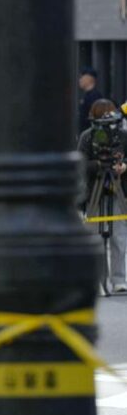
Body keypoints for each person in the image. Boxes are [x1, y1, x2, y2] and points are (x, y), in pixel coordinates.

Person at [79, 99, 127, 292]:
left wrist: (124, 167)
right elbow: (80, 163)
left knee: (119, 236)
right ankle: (98, 280)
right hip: (94, 192)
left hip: (118, 190)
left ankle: (119, 280)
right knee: (94, 238)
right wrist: (98, 165)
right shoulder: (87, 137)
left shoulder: (122, 136)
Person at [78, 69, 102, 134]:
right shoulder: (86, 96)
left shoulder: (94, 96)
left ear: (88, 78)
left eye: (81, 77)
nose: (79, 80)